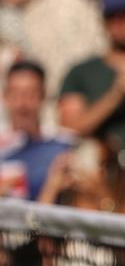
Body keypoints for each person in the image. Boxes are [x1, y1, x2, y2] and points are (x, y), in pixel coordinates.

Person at [57, 0, 125, 157]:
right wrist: (117, 93)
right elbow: (70, 130)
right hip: (101, 159)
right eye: (114, 18)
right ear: (103, 22)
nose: (121, 25)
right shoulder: (81, 71)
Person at [0, 61, 71, 199]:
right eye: (15, 93)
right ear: (5, 96)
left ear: (43, 96)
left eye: (30, 94)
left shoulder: (61, 148)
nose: (22, 103)